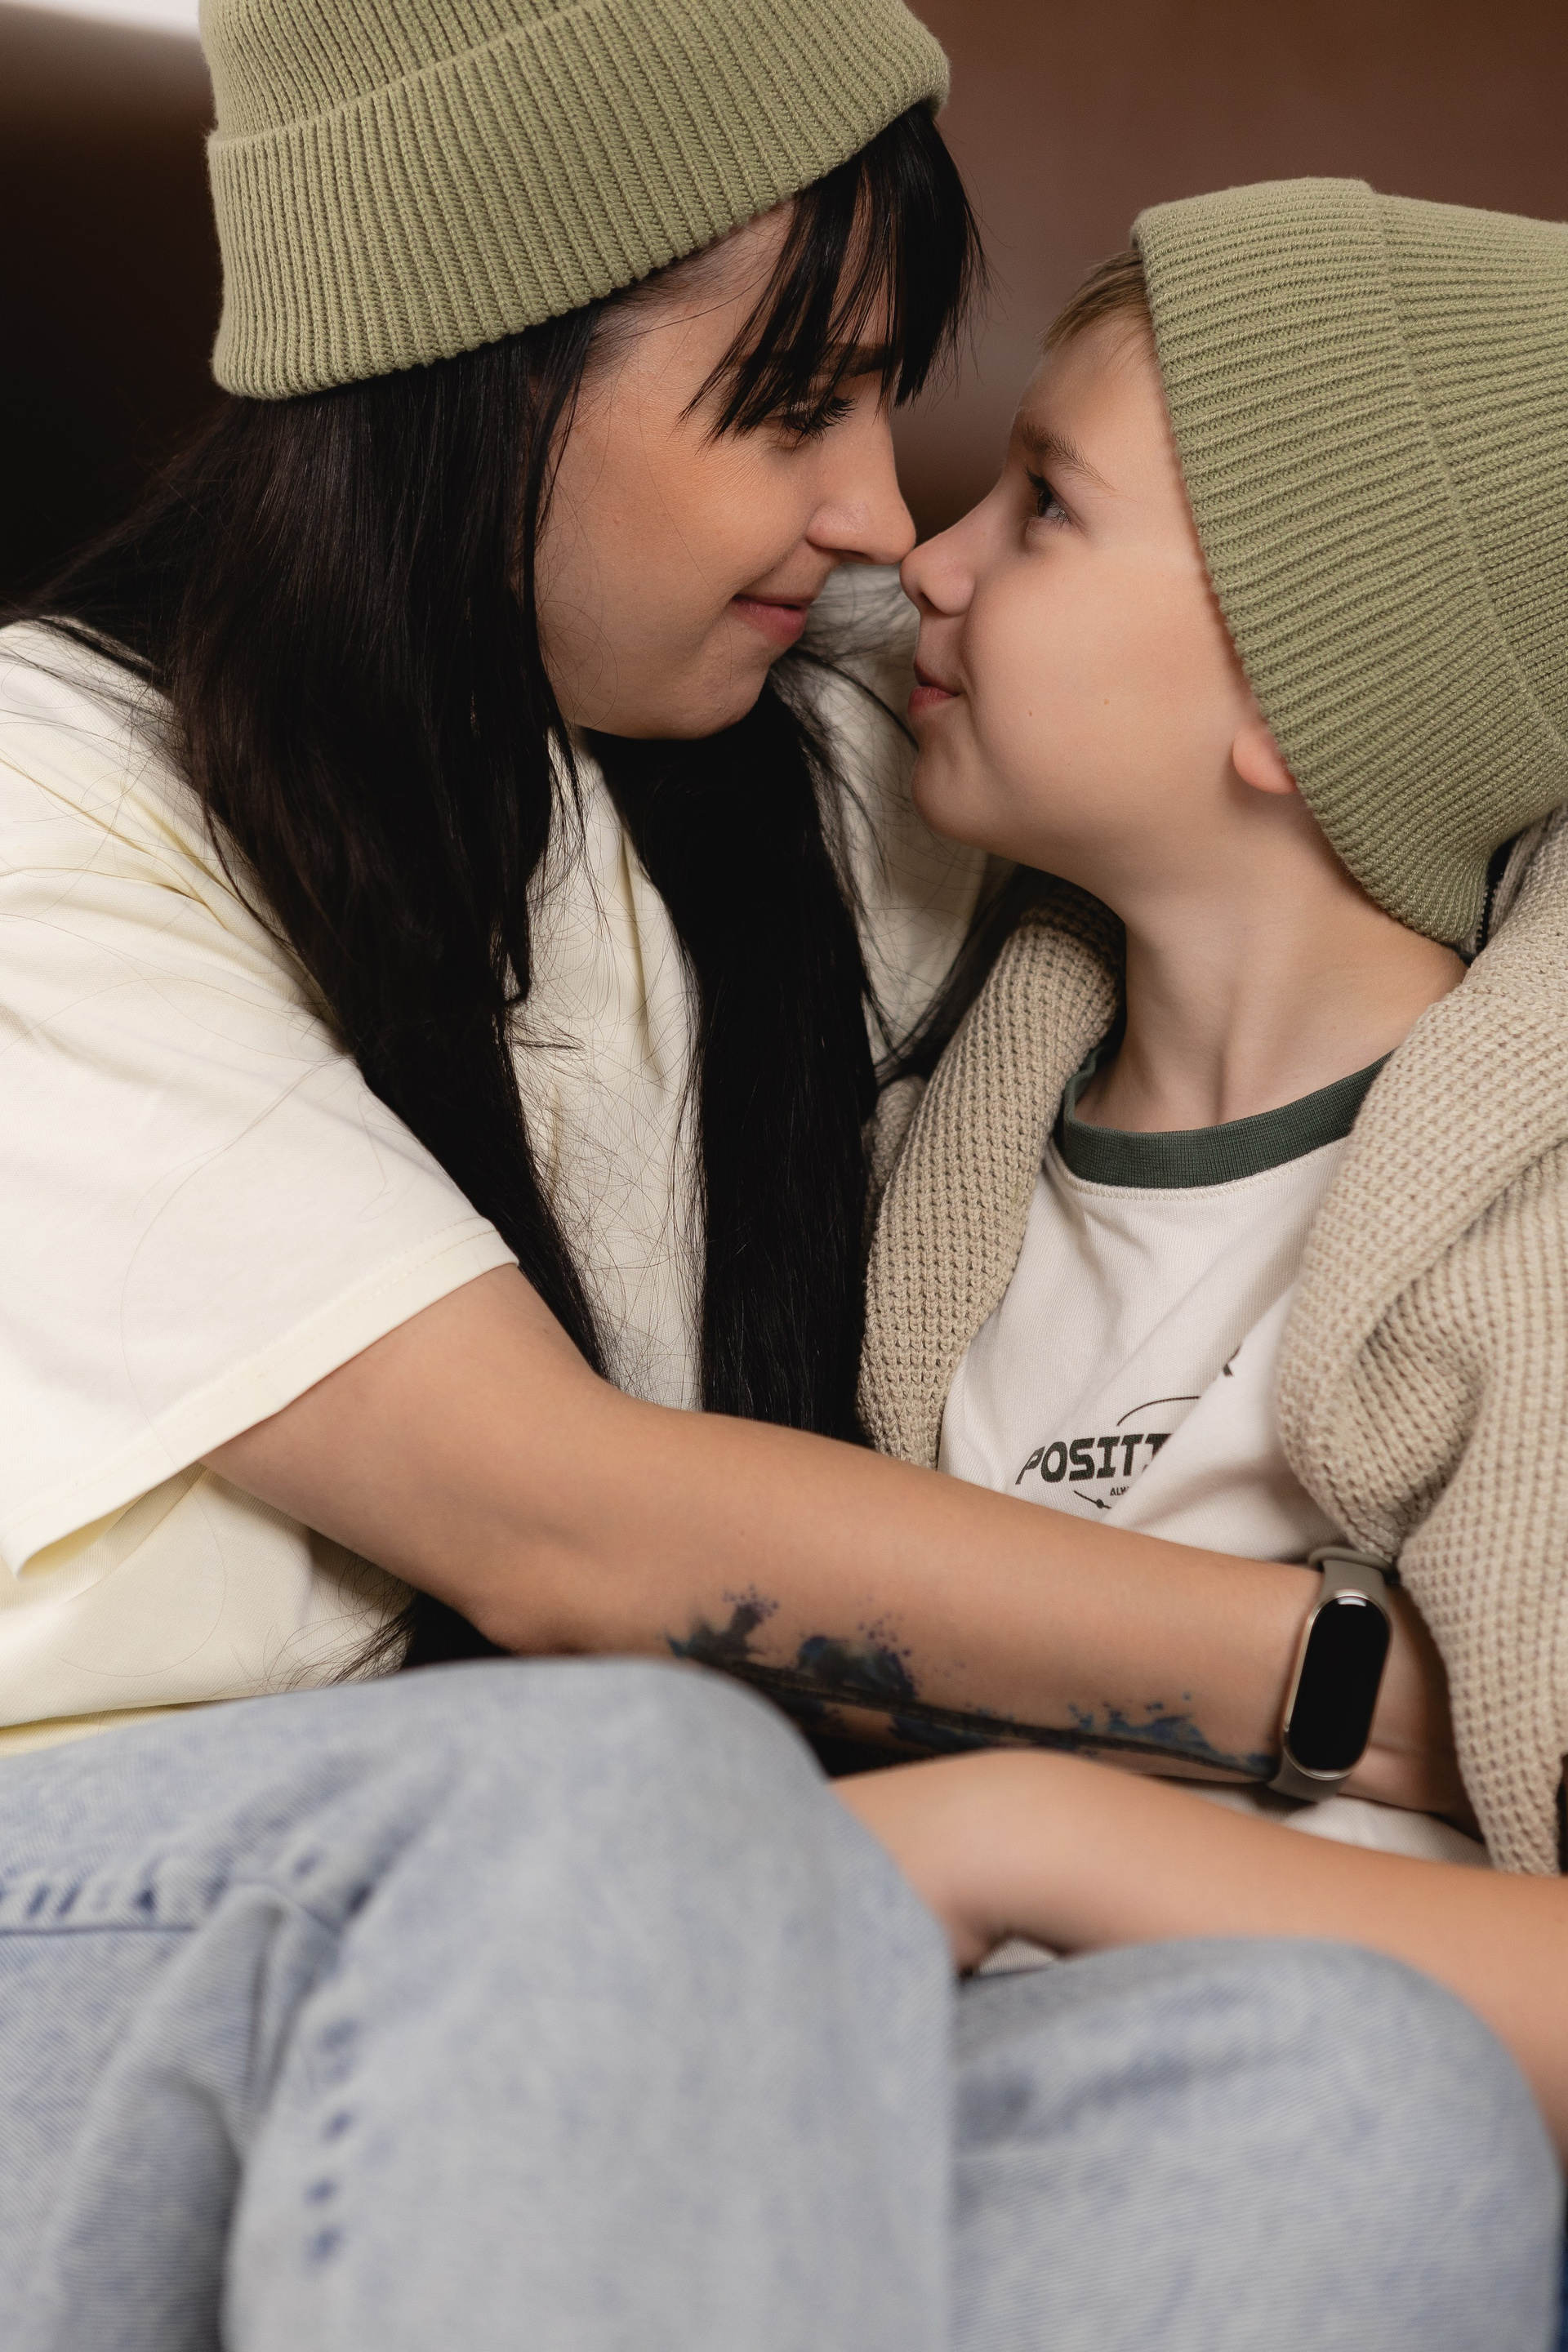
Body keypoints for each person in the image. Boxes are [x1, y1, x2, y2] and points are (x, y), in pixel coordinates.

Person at [0, 0, 1553, 2335]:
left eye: (897, 402)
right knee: (620, 1788)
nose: (888, 523)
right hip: (122, 1941)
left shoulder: (826, 740)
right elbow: (556, 1525)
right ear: (484, 370)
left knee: (1358, 2097)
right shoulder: (52, 808)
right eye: (791, 402)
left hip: (673, 1979)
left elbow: (1393, 712)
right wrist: (1395, 1688)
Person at [850, 168, 1568, 2147]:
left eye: (1044, 506)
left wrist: (1028, 1832)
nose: (925, 558)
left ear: (1295, 688)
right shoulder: (946, 1165)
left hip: (1342, 2158)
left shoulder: (1529, 1237)